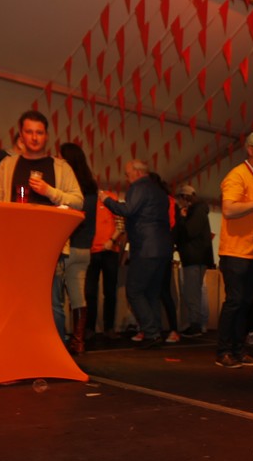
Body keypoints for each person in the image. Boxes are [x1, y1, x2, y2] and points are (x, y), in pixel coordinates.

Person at [0, 111, 83, 340]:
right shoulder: (7, 165)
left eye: (39, 132)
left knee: (52, 305)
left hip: (50, 246)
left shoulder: (61, 167)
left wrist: (49, 191)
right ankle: (19, 348)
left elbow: (78, 201)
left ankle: (54, 352)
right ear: (21, 135)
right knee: (13, 302)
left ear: (47, 135)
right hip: (14, 246)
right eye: (29, 132)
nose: (34, 137)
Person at [103, 159, 172, 346]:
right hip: (163, 248)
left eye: (127, 174)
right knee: (152, 293)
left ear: (137, 172)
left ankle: (151, 332)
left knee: (134, 291)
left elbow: (127, 209)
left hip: (145, 247)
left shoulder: (139, 187)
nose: (126, 178)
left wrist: (106, 200)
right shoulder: (160, 191)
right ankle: (155, 332)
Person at [216, 131, 253, 368]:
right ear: (250, 149)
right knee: (235, 301)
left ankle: (238, 349)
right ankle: (223, 351)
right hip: (235, 251)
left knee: (246, 303)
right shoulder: (238, 175)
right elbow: (229, 209)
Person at [59, 142, 98, 354]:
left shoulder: (70, 189)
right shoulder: (92, 188)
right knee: (78, 296)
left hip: (67, 247)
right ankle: (78, 340)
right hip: (85, 249)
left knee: (56, 295)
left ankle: (58, 338)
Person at [172, 184, 214, 338]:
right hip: (198, 257)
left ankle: (195, 324)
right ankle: (199, 324)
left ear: (185, 197)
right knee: (197, 291)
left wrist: (181, 218)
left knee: (192, 292)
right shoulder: (200, 210)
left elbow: (189, 231)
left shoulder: (197, 210)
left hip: (194, 257)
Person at [85, 198, 123, 343]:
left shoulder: (110, 199)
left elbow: (121, 224)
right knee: (90, 292)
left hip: (110, 250)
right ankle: (89, 328)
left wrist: (112, 241)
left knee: (110, 291)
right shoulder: (87, 201)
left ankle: (109, 328)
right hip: (92, 251)